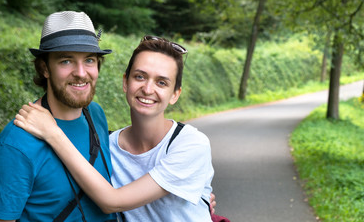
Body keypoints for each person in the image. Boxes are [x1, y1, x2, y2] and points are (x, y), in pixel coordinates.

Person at [15, 35, 215, 221]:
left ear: (175, 94)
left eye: (161, 82)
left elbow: (111, 201)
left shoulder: (190, 144)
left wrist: (52, 133)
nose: (148, 89)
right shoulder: (107, 148)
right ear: (125, 82)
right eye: (139, 77)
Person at [0, 11, 117, 222]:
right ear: (45, 68)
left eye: (89, 60)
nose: (81, 73)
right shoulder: (16, 144)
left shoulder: (96, 114)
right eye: (66, 61)